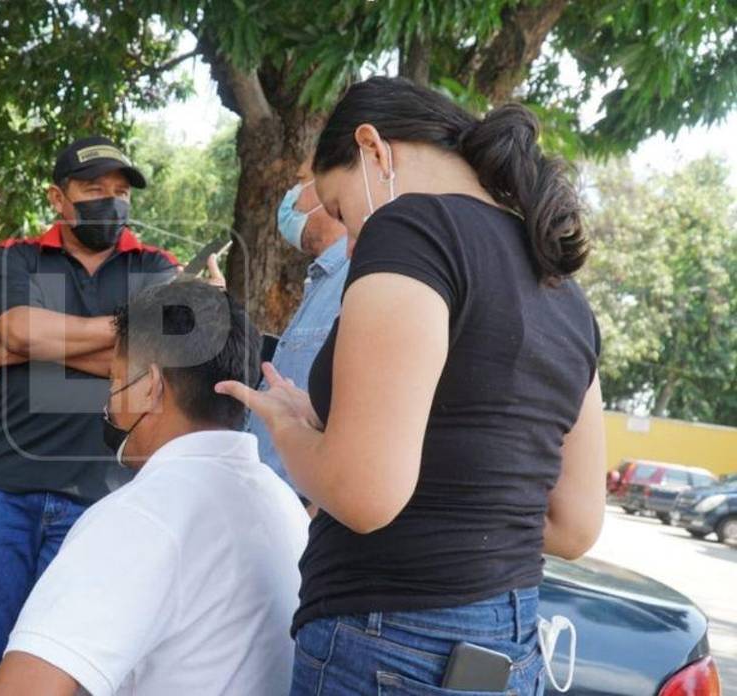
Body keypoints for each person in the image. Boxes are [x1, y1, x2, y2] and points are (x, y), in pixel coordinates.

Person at [217, 76, 606, 695]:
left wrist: (292, 429)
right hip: (512, 649)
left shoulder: (412, 229)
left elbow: (364, 495)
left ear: (373, 149)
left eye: (340, 208)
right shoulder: (562, 287)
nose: (349, 239)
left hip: (388, 643)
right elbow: (576, 524)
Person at [0, 280, 308, 696]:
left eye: (115, 379)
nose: (110, 402)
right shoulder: (283, 503)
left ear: (150, 387)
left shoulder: (141, 516)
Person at [0, 136, 178, 695]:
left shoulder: (155, 265)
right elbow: (19, 328)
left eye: (119, 192)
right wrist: (124, 329)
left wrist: (36, 346)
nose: (109, 202)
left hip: (100, 498)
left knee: (63, 673)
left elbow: (152, 369)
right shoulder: (19, 255)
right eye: (93, 189)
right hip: (1, 486)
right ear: (58, 197)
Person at [247, 158, 350, 489]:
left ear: (329, 191)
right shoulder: (324, 280)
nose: (290, 194)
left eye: (300, 180)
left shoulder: (355, 279)